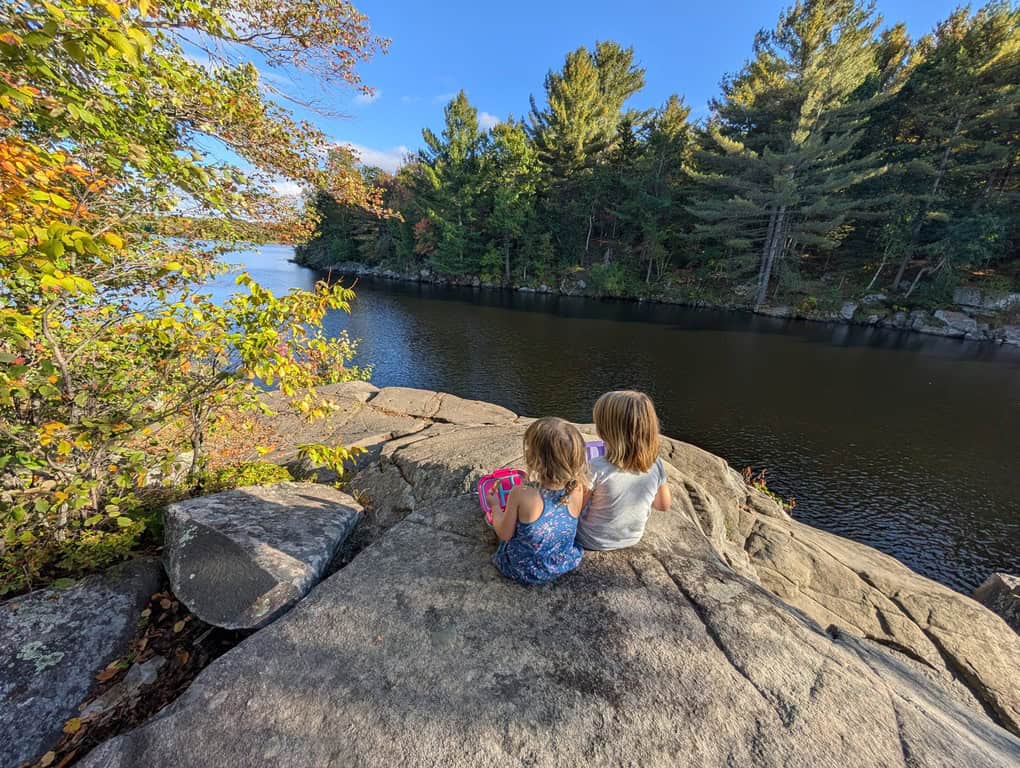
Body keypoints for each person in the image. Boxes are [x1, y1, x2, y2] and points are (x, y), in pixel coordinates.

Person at [488, 418, 586, 585]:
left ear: (535, 459)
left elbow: (505, 534)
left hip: (522, 569)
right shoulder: (578, 488)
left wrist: (495, 506)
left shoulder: (522, 493)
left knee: (491, 521)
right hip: (561, 563)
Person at [576, 390, 671, 550]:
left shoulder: (595, 466)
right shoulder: (656, 463)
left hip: (591, 539)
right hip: (632, 537)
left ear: (606, 430)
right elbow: (663, 505)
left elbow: (575, 508)